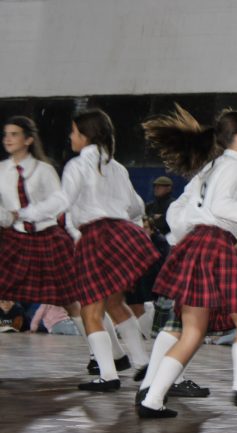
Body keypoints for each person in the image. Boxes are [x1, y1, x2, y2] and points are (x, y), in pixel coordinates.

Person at [135, 105, 237, 418]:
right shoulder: (232, 166)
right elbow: (222, 205)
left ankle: (151, 400)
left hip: (197, 244)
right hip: (215, 244)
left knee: (191, 332)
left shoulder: (217, 166)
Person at [17, 109, 159, 392]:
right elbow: (137, 206)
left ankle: (108, 375)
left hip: (96, 236)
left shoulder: (78, 165)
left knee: (90, 311)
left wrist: (25, 213)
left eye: (73, 132)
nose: (70, 137)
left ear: (85, 135)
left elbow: (62, 201)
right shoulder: (117, 167)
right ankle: (143, 362)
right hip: (123, 234)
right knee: (116, 304)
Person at [0, 116, 84, 336]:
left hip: (47, 237)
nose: (8, 139)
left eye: (14, 134)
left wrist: (25, 213)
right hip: (15, 238)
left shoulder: (44, 170)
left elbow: (59, 203)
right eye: (6, 134)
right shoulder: (1, 170)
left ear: (28, 139)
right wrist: (6, 216)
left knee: (68, 299)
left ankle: (95, 347)